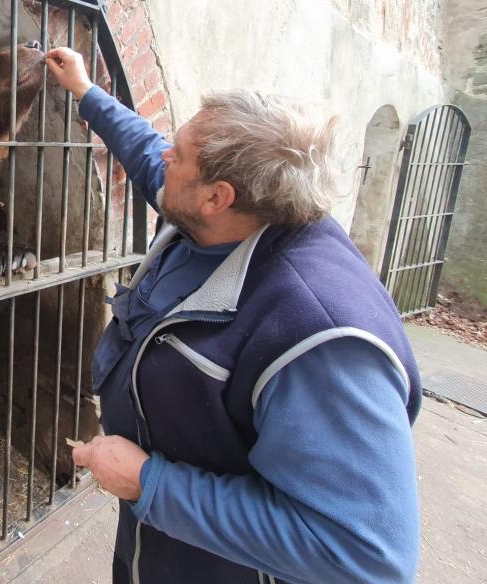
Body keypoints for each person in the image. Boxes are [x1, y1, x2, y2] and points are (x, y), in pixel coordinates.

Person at [44, 47, 422, 584]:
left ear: (217, 197)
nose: (165, 160)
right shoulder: (230, 215)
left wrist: (150, 484)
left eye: (180, 155)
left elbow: (367, 557)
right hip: (165, 546)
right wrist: (87, 92)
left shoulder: (320, 337)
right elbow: (147, 153)